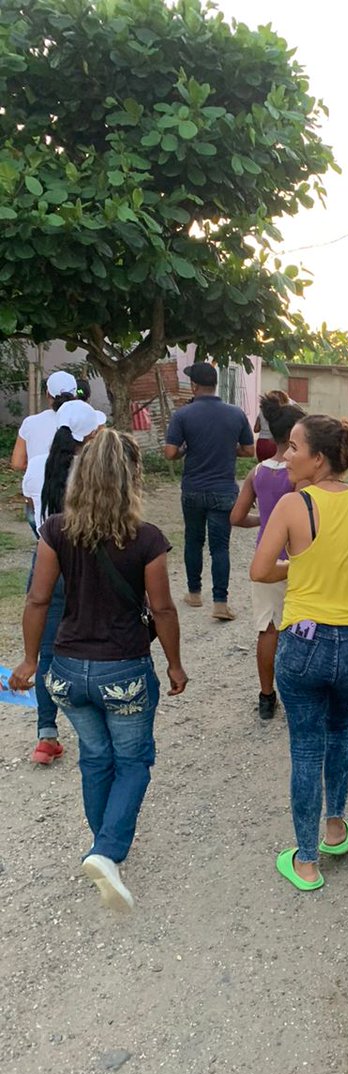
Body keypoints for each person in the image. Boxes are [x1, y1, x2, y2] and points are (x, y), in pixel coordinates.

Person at [9, 428, 188, 911]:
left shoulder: (56, 530)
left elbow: (38, 598)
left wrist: (29, 659)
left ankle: (101, 847)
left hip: (67, 670)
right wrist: (173, 664)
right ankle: (106, 852)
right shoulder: (146, 539)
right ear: (131, 479)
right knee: (133, 762)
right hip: (124, 670)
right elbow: (164, 610)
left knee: (94, 757)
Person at [250, 415, 348, 892]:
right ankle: (336, 826)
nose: (286, 453)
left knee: (305, 747)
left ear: (318, 458)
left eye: (293, 447)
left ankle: (308, 861)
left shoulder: (295, 506)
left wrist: (301, 567)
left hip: (304, 642)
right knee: (341, 733)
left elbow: (260, 570)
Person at [23, 401, 109, 765]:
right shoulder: (98, 471)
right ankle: (101, 727)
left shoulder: (40, 464)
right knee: (97, 641)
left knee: (47, 650)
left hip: (47, 560)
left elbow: (32, 511)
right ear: (90, 435)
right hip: (88, 564)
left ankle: (46, 734)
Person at [230, 402, 305, 719]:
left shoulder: (257, 471)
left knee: (268, 629)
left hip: (266, 558)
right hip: (298, 558)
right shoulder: (298, 475)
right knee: (302, 628)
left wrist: (265, 522)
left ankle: (266, 696)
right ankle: (299, 694)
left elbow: (236, 517)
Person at [164, 361, 255, 620]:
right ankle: (220, 602)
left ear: (193, 385)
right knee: (220, 547)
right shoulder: (235, 413)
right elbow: (249, 451)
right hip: (223, 490)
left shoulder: (183, 415)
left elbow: (170, 453)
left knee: (193, 540)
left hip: (193, 489)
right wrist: (228, 449)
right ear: (215, 384)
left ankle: (194, 593)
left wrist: (186, 449)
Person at [11, 371, 80, 535]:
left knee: (44, 543)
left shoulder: (30, 423)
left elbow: (17, 463)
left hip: (38, 499)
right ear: (76, 394)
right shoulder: (82, 422)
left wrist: (37, 466)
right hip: (75, 497)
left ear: (47, 394)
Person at [254, 388, 292, 462]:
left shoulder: (262, 412)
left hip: (261, 443)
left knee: (264, 466)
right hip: (276, 443)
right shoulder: (283, 413)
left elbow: (256, 429)